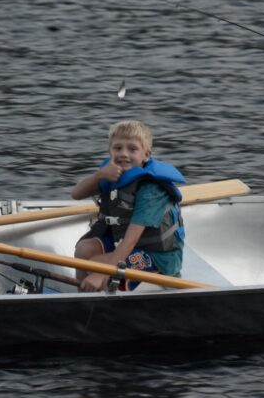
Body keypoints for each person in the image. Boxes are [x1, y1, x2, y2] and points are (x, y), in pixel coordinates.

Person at [71, 119, 186, 292]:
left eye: (132, 149)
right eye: (117, 148)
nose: (123, 154)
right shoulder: (113, 176)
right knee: (83, 249)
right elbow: (76, 193)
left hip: (158, 256)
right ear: (110, 151)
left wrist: (101, 274)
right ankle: (81, 296)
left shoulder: (150, 191)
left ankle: (100, 296)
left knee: (95, 266)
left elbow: (130, 241)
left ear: (146, 155)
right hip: (124, 242)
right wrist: (99, 176)